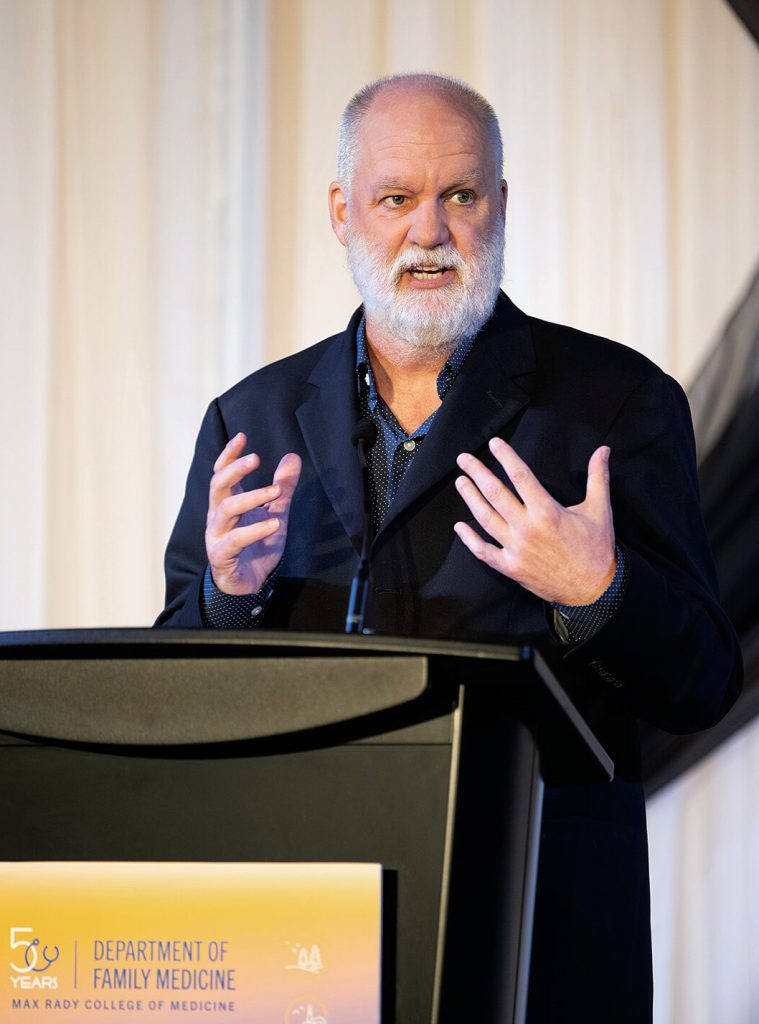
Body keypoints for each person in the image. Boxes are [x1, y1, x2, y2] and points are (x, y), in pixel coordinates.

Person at [157, 73, 742, 1021]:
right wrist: (226, 597)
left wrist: (597, 590)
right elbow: (178, 674)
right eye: (396, 199)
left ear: (499, 205)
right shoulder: (252, 418)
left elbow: (706, 678)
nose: (428, 231)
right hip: (301, 928)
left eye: (460, 196)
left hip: (536, 923)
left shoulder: (615, 402)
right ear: (343, 212)